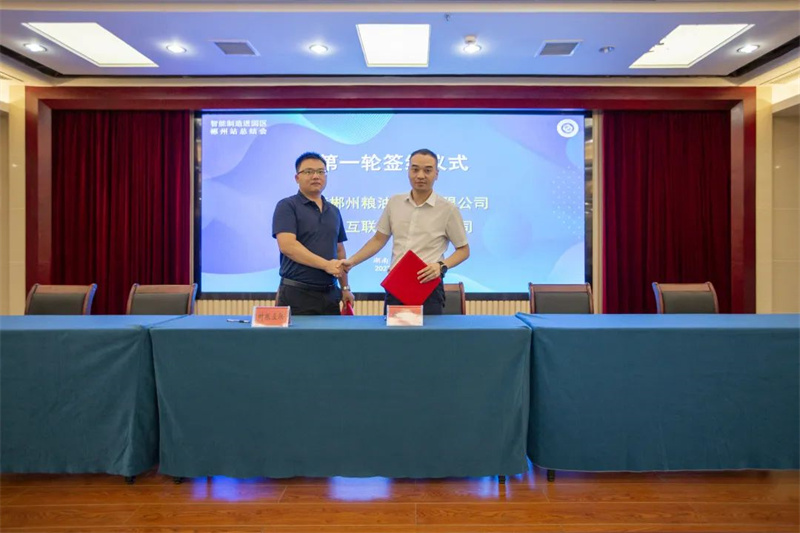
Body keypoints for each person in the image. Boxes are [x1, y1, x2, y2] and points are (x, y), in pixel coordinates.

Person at [344, 148, 470, 315]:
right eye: (415, 169)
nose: (420, 175)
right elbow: (378, 240)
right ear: (408, 171)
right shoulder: (394, 202)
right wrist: (352, 261)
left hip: (428, 287)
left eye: (427, 170)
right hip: (397, 285)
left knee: (428, 332)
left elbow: (463, 250)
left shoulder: (448, 209)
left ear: (437, 174)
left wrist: (440, 266)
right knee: (394, 332)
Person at [272, 152, 355, 315]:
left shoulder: (334, 211)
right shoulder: (287, 206)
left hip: (331, 294)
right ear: (297, 178)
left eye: (320, 171)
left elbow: (339, 251)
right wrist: (326, 265)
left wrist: (345, 288)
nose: (316, 176)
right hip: (297, 294)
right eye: (309, 171)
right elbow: (288, 246)